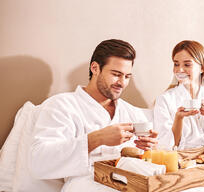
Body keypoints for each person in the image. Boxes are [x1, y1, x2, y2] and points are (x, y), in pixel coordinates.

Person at [29, 39, 157, 180]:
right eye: (116, 74)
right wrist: (98, 138)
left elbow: (144, 162)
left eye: (127, 77)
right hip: (87, 187)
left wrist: (150, 150)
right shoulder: (62, 105)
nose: (122, 83)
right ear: (95, 68)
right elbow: (39, 163)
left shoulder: (132, 113)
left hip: (133, 184)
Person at [153, 40, 204, 150]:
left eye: (187, 64)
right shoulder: (164, 100)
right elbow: (166, 146)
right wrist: (178, 118)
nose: (180, 70)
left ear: (202, 68)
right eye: (176, 64)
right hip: (181, 160)